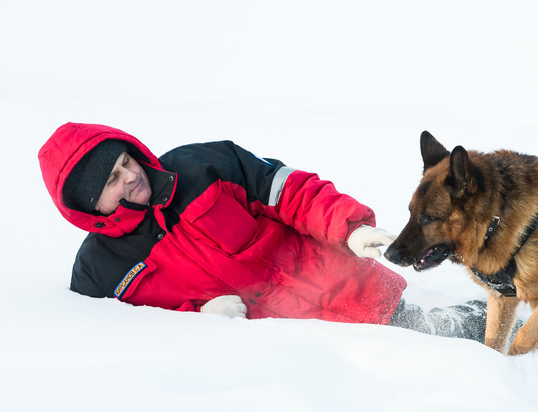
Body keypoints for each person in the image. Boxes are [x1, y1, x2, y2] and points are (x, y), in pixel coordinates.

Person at [39, 122, 486, 341]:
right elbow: (116, 347)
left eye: (124, 163)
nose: (130, 178)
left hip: (349, 291)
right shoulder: (99, 272)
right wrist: (197, 323)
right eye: (112, 182)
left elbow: (293, 191)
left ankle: (486, 326)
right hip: (283, 357)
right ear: (88, 207)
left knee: (440, 348)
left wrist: (351, 229)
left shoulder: (202, 166)